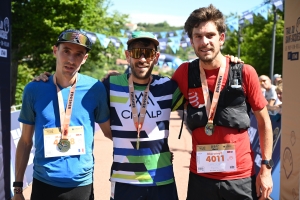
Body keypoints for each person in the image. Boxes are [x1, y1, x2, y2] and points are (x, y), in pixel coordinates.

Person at [172, 4, 273, 200]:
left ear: (222, 38)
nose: (204, 42)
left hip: (240, 178)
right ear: (192, 41)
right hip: (200, 179)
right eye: (198, 36)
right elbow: (156, 99)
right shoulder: (184, 73)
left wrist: (266, 169)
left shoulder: (244, 72)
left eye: (210, 35)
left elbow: (264, 123)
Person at [12, 29, 111, 200]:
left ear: (85, 59)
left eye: (79, 54)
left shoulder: (95, 89)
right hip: (44, 185)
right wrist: (18, 189)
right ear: (55, 51)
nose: (71, 60)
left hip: (81, 186)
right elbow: (26, 141)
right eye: (66, 51)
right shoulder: (34, 89)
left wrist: (155, 145)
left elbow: (111, 132)